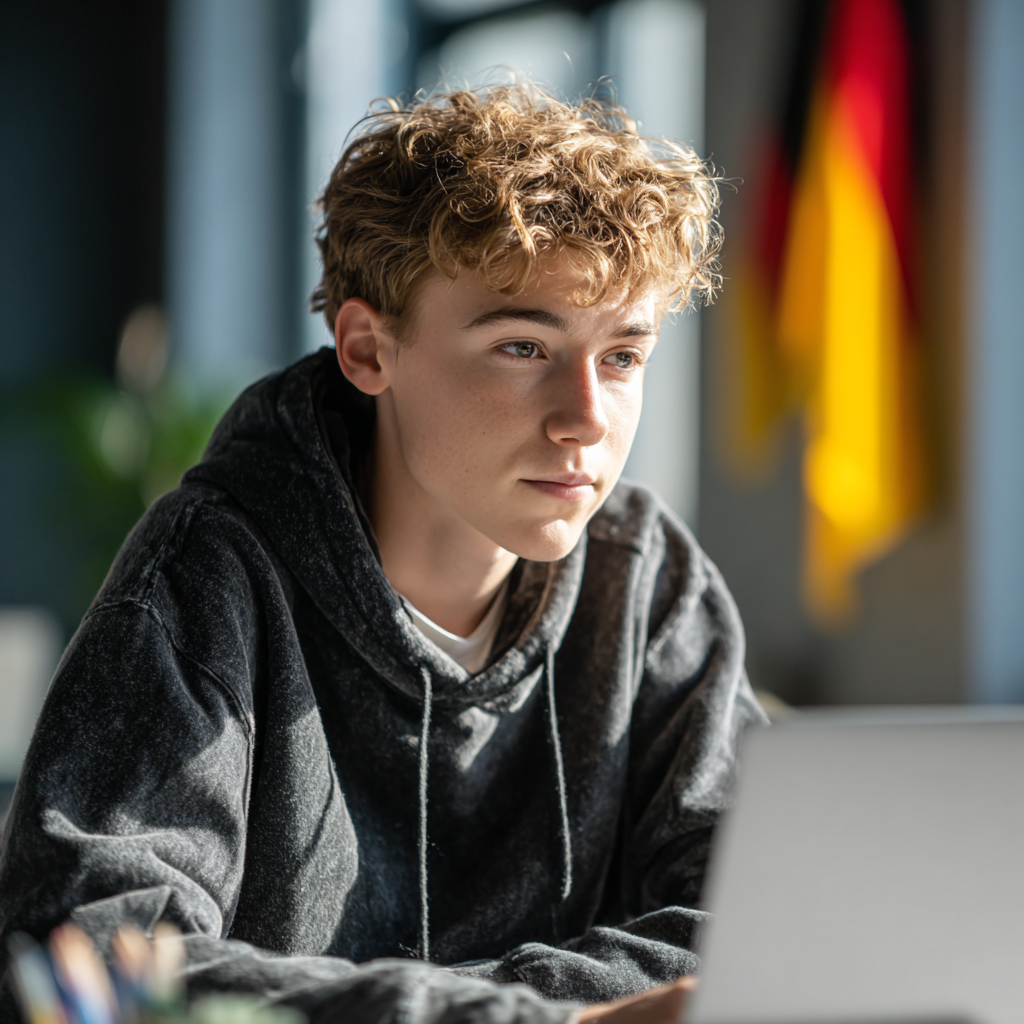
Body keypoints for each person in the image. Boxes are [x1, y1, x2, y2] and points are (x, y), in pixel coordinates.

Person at [0, 83, 765, 1024]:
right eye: (524, 347)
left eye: (622, 358)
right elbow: (99, 964)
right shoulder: (204, 583)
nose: (585, 421)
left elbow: (755, 924)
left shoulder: (649, 581)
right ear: (368, 349)